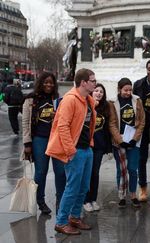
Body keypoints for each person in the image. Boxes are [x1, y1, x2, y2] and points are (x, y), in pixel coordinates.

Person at [47, 68, 97, 235]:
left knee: (83, 187)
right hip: (75, 151)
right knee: (72, 187)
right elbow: (62, 126)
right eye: (93, 81)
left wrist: (89, 143)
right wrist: (70, 150)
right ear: (83, 83)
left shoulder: (88, 100)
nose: (95, 84)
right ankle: (61, 222)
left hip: (86, 149)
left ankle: (74, 217)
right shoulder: (70, 100)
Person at [22, 72, 66, 215]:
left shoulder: (57, 99)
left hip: (56, 139)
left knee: (60, 172)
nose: (49, 85)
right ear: (40, 83)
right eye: (46, 82)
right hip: (39, 139)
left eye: (51, 82)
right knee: (41, 172)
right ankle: (40, 201)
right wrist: (27, 143)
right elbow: (25, 122)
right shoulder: (31, 100)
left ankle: (60, 200)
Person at [109, 78, 145, 208]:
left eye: (130, 90)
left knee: (132, 169)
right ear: (119, 89)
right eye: (125, 90)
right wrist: (120, 140)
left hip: (134, 140)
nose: (128, 93)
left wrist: (135, 138)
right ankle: (122, 195)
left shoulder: (137, 100)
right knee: (121, 169)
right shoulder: (113, 102)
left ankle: (133, 194)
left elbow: (142, 121)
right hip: (119, 141)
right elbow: (112, 123)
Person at [132, 58, 150, 202]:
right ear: (147, 69)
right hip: (142, 128)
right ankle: (142, 187)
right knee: (141, 159)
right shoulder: (137, 85)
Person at [83, 83, 112, 212]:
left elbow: (107, 129)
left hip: (99, 145)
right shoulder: (86, 105)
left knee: (95, 173)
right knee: (86, 173)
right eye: (96, 91)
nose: (99, 93)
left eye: (101, 91)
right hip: (86, 145)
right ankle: (85, 200)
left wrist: (108, 147)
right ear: (91, 92)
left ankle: (93, 199)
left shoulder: (105, 108)